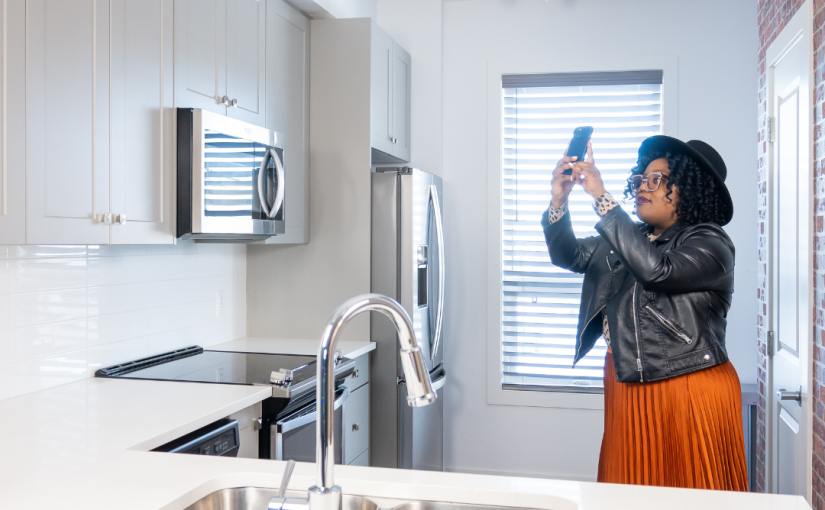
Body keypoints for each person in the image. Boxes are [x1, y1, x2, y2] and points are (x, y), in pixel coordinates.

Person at [541, 135, 747, 490]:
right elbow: (569, 255)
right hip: (628, 380)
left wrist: (602, 198)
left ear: (688, 191)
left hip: (688, 384)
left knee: (695, 490)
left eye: (656, 180)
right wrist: (559, 200)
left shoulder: (712, 244)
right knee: (630, 486)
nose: (641, 188)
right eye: (639, 180)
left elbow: (657, 270)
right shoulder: (628, 236)